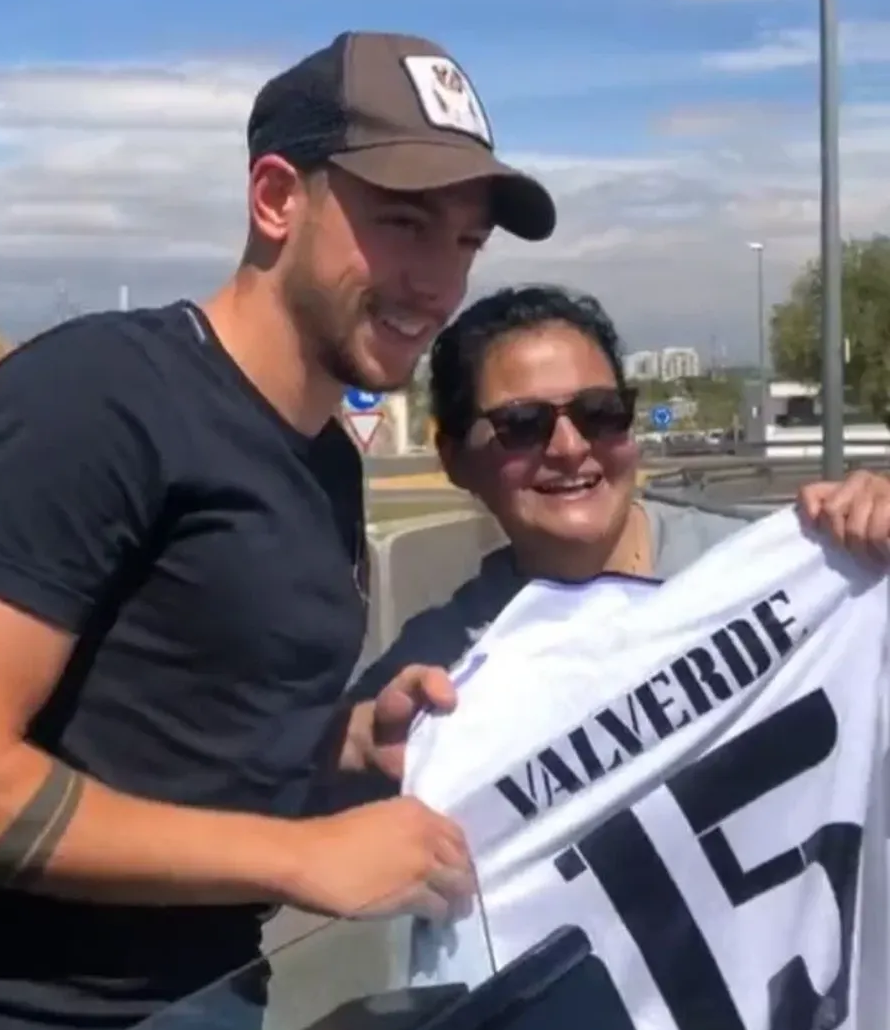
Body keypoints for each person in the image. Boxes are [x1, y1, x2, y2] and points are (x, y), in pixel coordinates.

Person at [0, 32, 556, 1030]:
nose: (437, 281)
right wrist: (298, 858)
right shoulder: (98, 398)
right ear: (275, 196)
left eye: (463, 241)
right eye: (400, 222)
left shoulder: (325, 460)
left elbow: (175, 732)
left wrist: (345, 744)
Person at [350, 283, 890, 743]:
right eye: (522, 423)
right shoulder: (431, 675)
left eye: (599, 413)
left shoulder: (789, 571)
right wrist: (369, 749)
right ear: (455, 460)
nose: (568, 447)